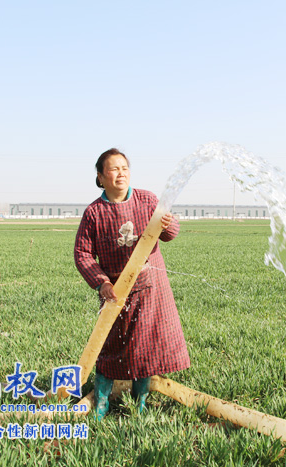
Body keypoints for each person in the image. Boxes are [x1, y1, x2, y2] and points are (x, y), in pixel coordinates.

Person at [74, 148, 190, 420]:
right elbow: (82, 254)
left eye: (124, 167)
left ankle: (140, 404)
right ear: (101, 177)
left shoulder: (147, 200)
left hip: (151, 287)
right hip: (115, 291)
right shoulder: (94, 213)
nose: (120, 173)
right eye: (113, 169)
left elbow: (170, 234)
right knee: (109, 346)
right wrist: (101, 282)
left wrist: (169, 222)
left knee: (146, 348)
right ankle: (101, 402)